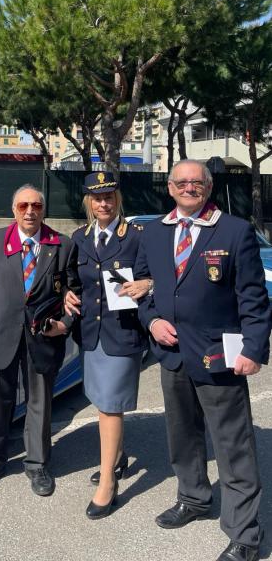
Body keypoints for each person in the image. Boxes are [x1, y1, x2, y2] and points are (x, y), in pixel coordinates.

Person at [135, 159, 271, 561]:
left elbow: (253, 298)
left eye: (197, 181)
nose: (189, 187)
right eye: (182, 182)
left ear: (209, 187)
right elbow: (144, 289)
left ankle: (245, 534)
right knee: (183, 437)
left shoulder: (235, 230)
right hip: (172, 354)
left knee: (233, 447)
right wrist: (152, 320)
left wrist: (253, 349)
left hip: (219, 357)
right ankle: (194, 497)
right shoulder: (156, 233)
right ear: (171, 188)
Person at [0, 184, 75, 496]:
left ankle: (38, 464)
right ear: (14, 210)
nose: (30, 211)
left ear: (44, 210)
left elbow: (73, 292)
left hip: (42, 337)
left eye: (36, 206)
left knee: (39, 404)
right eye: (24, 205)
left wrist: (65, 324)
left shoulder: (62, 245)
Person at [64, 171, 151, 519]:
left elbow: (157, 274)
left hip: (123, 332)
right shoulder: (79, 237)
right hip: (91, 334)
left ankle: (108, 485)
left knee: (109, 406)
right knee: (100, 399)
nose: (104, 203)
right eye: (97, 198)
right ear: (88, 201)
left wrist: (148, 283)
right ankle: (117, 456)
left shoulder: (137, 237)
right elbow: (72, 281)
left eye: (109, 197)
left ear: (118, 199)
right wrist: (68, 295)